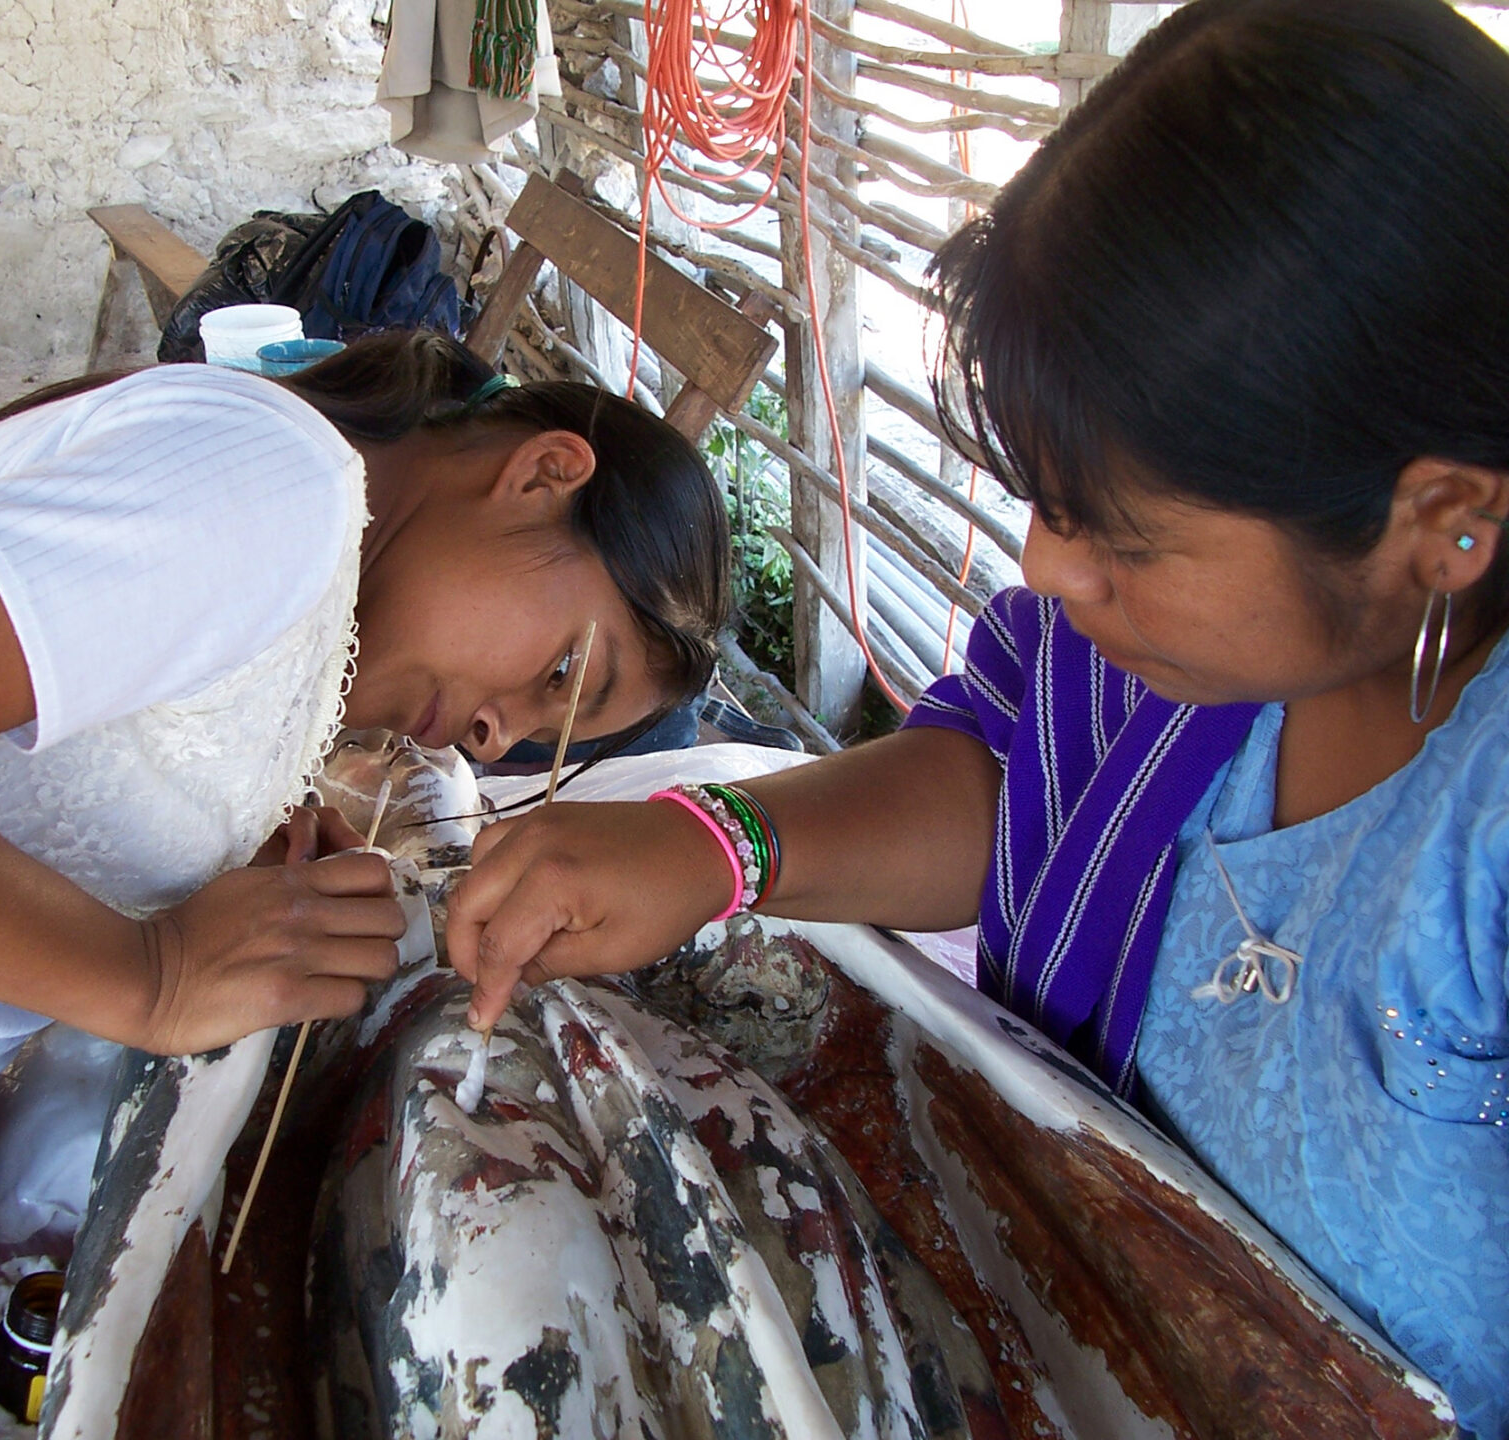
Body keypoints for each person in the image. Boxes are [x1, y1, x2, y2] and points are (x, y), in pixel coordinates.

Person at [447, 1, 1509, 1433]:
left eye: (1118, 538)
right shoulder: (1169, 653)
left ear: (1439, 520)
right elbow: (1009, 782)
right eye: (1052, 507)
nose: (1048, 571)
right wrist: (713, 846)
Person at [0, 330, 730, 1435]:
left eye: (534, 738)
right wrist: (153, 976)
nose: (494, 736)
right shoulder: (281, 490)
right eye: (563, 674)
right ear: (542, 473)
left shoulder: (309, 565)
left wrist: (257, 828)